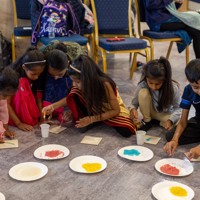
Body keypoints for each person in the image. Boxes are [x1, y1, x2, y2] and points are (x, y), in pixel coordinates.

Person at [42, 55, 136, 137]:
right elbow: (70, 98)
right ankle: (97, 120)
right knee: (74, 92)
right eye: (73, 81)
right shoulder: (81, 85)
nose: (74, 84)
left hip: (110, 110)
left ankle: (97, 120)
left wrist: (92, 119)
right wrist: (52, 106)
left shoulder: (105, 84)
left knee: (126, 131)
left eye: (77, 82)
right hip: (94, 108)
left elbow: (116, 110)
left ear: (87, 79)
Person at [130, 57, 181, 132]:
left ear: (164, 80)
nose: (153, 87)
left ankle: (157, 121)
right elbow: (134, 103)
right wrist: (133, 109)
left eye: (158, 84)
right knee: (143, 93)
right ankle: (147, 121)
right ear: (146, 78)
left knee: (178, 124)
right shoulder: (143, 84)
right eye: (150, 83)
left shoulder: (173, 88)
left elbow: (178, 108)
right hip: (149, 112)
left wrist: (170, 120)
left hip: (164, 114)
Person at [164, 59, 200, 156]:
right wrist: (175, 140)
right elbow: (183, 121)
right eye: (196, 88)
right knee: (170, 135)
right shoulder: (188, 90)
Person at [7, 47, 46, 131]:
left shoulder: (38, 75)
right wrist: (19, 123)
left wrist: (42, 118)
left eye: (39, 74)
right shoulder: (11, 77)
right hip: (10, 112)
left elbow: (39, 97)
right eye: (33, 74)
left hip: (25, 112)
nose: (36, 77)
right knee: (22, 83)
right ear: (24, 67)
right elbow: (6, 104)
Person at [42, 48, 72, 122]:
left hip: (63, 107)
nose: (56, 77)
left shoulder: (72, 76)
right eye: (52, 75)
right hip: (46, 106)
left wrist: (71, 110)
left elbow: (74, 95)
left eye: (60, 74)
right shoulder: (43, 73)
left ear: (67, 64)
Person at [0, 67, 19, 142]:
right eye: (5, 95)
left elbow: (4, 112)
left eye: (9, 96)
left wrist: (5, 130)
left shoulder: (2, 98)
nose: (6, 99)